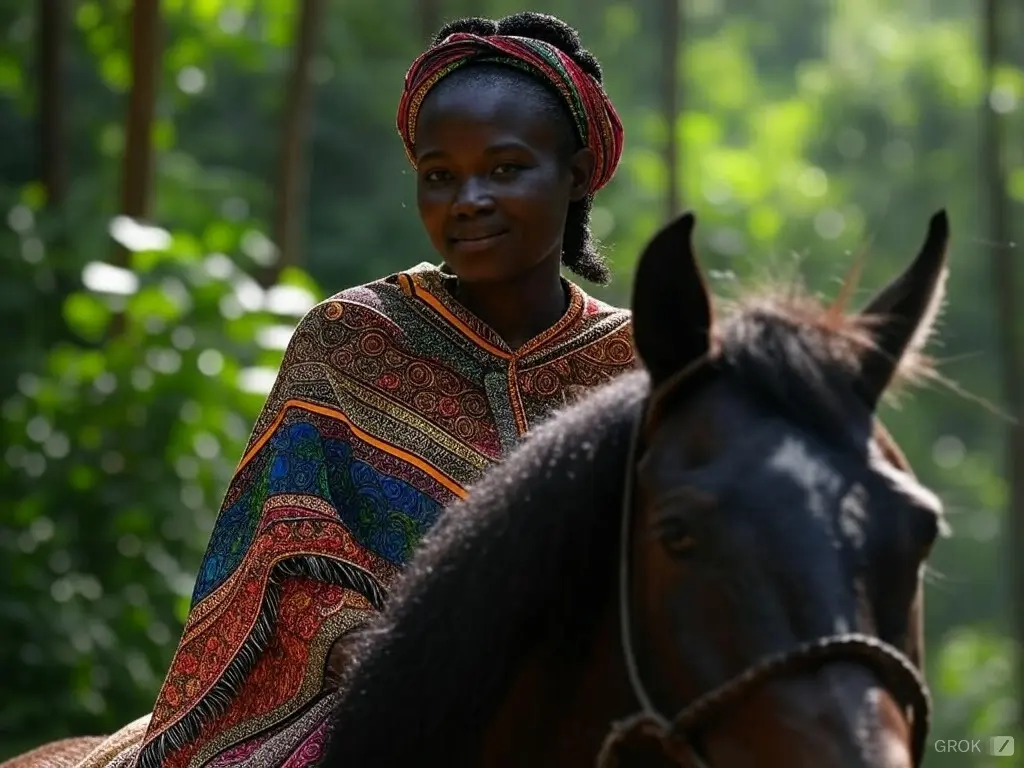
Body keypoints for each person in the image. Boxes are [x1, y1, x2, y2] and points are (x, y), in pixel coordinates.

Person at [54, 11, 634, 768]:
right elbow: (283, 550)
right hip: (382, 703)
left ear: (580, 173)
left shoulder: (638, 362)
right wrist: (387, 659)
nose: (468, 198)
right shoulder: (351, 336)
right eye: (439, 174)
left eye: (505, 168)